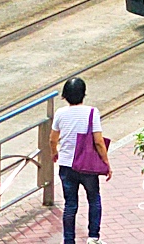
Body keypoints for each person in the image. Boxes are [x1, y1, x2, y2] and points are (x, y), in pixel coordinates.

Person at [50, 77, 110, 244]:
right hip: (87, 165)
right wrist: (106, 163)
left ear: (65, 96)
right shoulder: (92, 112)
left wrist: (55, 153)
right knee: (94, 198)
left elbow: (53, 139)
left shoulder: (60, 113)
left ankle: (69, 240)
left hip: (67, 165)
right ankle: (93, 237)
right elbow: (98, 141)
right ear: (84, 94)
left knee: (70, 204)